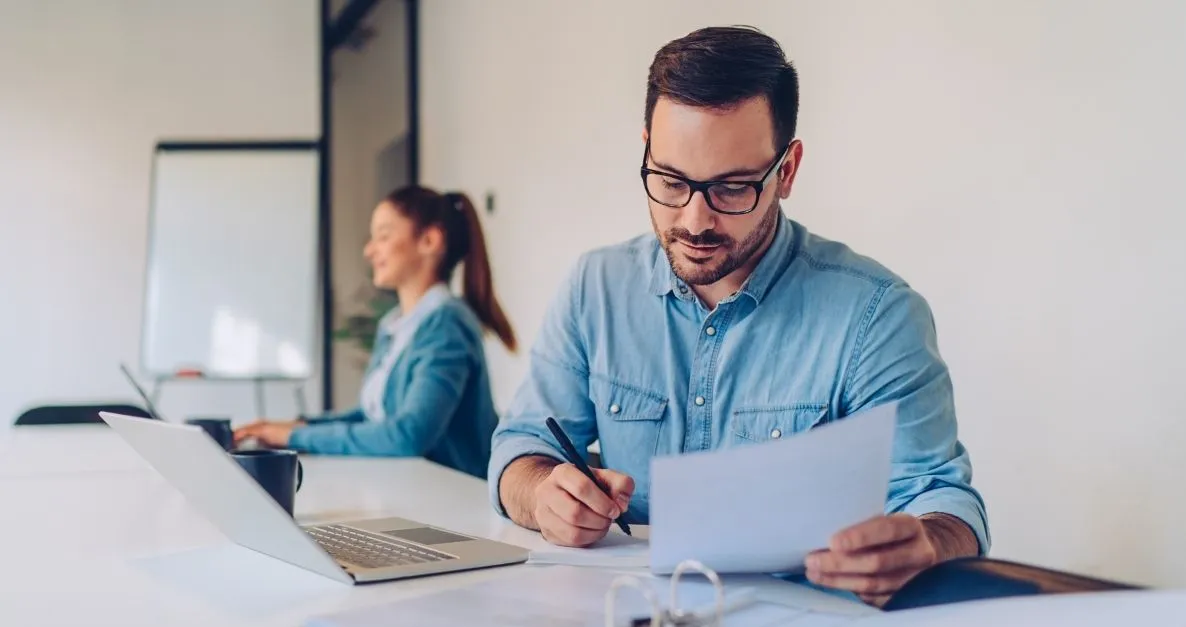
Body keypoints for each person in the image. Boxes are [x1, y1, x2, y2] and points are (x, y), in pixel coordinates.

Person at [488, 26, 988, 605]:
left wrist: (927, 544)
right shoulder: (595, 288)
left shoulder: (878, 315)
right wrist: (543, 493)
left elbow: (944, 501)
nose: (695, 220)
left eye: (732, 188)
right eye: (670, 181)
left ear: (787, 171)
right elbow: (520, 447)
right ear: (646, 148)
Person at [234, 186, 516, 479]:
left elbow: (409, 435)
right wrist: (300, 427)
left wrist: (294, 437)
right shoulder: (395, 324)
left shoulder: (446, 323)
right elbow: (372, 418)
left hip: (454, 493)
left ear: (429, 241)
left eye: (383, 236)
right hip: (411, 484)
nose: (369, 251)